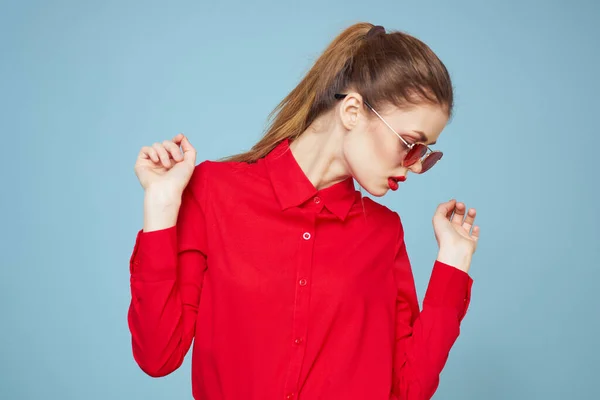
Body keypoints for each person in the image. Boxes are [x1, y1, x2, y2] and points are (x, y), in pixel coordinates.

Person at [128, 22, 480, 400]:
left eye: (424, 153)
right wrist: (162, 206)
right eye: (410, 144)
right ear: (352, 111)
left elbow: (409, 389)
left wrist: (454, 263)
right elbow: (157, 356)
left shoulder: (383, 233)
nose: (413, 165)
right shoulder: (214, 193)